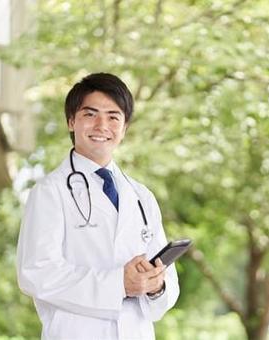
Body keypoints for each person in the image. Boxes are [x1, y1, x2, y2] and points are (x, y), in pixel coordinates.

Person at [16, 73, 179, 339]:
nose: (102, 125)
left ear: (124, 128)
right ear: (71, 121)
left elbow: (166, 290)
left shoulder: (141, 196)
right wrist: (118, 285)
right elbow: (36, 273)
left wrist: (155, 286)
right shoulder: (49, 192)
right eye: (90, 114)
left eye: (113, 117)